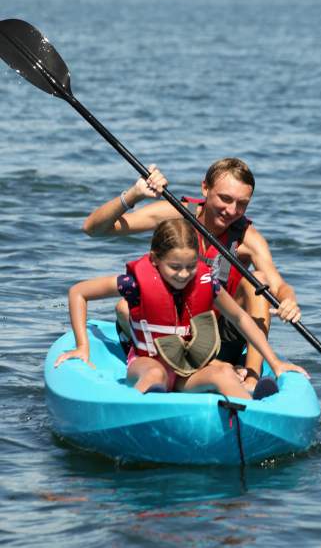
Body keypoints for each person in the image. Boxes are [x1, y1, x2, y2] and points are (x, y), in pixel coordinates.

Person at [83, 158, 302, 393]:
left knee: (259, 282)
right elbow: (94, 229)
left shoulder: (248, 239)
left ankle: (251, 379)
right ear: (205, 188)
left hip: (214, 336)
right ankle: (202, 368)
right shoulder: (174, 212)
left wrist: (289, 301)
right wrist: (134, 195)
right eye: (225, 199)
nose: (232, 211)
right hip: (163, 329)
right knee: (123, 307)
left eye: (242, 204)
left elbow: (279, 286)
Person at [55, 218, 307, 399]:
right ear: (154, 259)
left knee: (223, 374)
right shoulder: (134, 283)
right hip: (148, 362)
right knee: (155, 375)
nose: (184, 274)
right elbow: (79, 292)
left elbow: (241, 319)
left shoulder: (208, 286)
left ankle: (251, 414)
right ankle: (141, 409)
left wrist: (275, 363)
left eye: (191, 266)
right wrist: (82, 346)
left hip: (189, 369)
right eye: (175, 267)